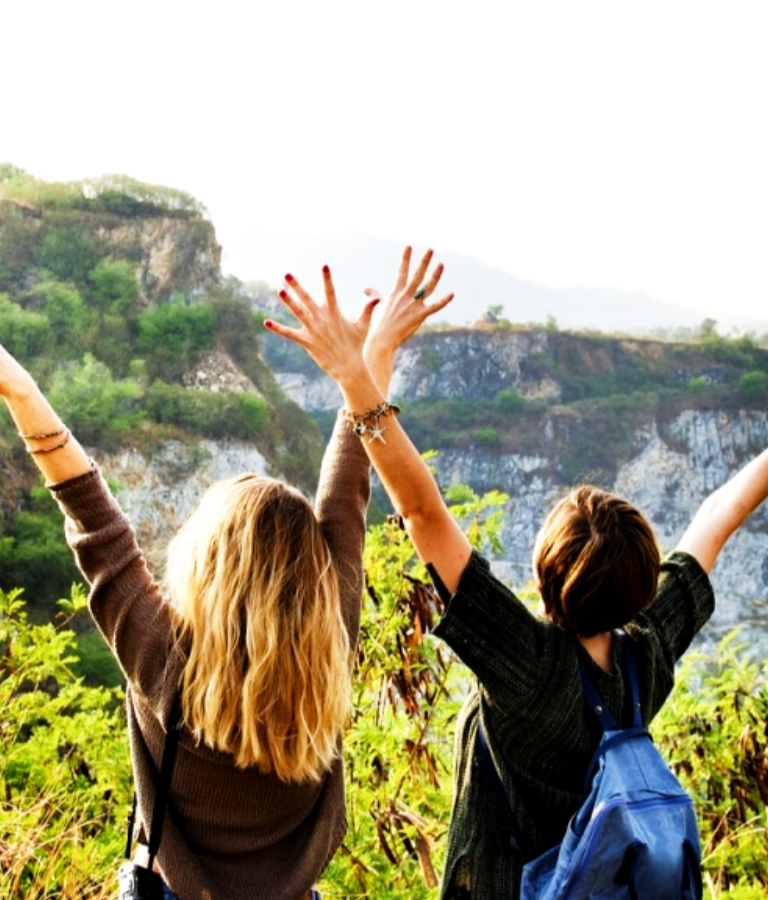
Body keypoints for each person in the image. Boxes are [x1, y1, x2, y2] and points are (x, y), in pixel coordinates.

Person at [266, 246, 768, 899]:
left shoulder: (528, 665)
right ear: (642, 586)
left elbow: (420, 511)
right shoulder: (650, 654)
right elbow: (721, 516)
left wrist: (355, 378)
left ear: (543, 570)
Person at [0, 263, 447, 900]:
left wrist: (18, 388)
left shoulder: (162, 660)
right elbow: (348, 487)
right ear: (313, 577)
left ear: (207, 565)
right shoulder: (332, 642)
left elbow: (90, 514)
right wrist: (370, 358)